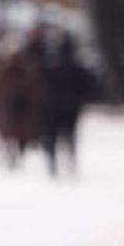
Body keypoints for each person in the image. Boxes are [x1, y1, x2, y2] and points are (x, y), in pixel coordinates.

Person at [41, 32, 92, 177]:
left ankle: (56, 164)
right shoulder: (75, 66)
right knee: (68, 137)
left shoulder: (52, 65)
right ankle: (68, 163)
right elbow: (86, 87)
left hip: (56, 106)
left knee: (55, 137)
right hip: (69, 106)